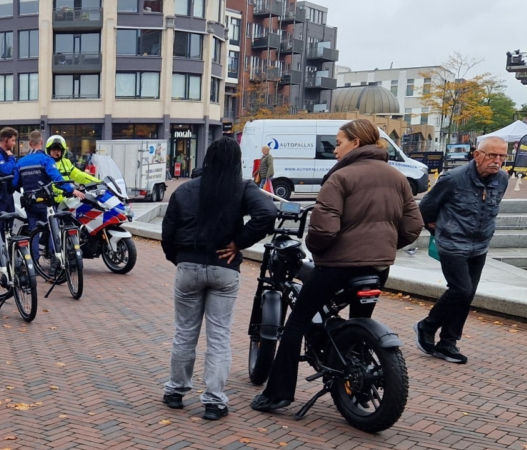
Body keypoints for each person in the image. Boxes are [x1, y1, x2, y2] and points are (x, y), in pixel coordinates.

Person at [252, 119, 423, 413]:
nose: (335, 150)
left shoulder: (340, 177)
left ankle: (278, 394)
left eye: (339, 142)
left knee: (297, 322)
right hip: (378, 267)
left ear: (356, 143)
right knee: (360, 323)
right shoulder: (397, 177)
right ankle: (352, 389)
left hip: (338, 266)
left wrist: (317, 251)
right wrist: (383, 247)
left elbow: (324, 230)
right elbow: (413, 226)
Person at [161, 137, 278, 420]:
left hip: (189, 265)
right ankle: (214, 401)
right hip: (224, 268)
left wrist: (180, 258)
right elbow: (267, 212)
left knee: (185, 332)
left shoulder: (185, 190)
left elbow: (168, 232)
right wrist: (238, 242)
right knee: (219, 336)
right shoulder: (242, 188)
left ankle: (176, 391)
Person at [413, 136, 509, 365]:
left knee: (467, 295)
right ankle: (427, 326)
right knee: (461, 289)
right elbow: (426, 208)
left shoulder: (502, 179)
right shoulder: (453, 179)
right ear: (477, 155)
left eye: (502, 156)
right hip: (453, 243)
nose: (497, 161)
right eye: (492, 155)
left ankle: (448, 342)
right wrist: (439, 228)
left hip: (480, 245)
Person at [17, 130, 84, 266]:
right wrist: (72, 190)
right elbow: (57, 179)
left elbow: (15, 184)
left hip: (29, 203)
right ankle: (55, 261)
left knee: (33, 232)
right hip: (45, 202)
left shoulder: (21, 162)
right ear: (41, 143)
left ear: (30, 143)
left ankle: (34, 263)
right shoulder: (46, 159)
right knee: (53, 229)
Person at [46, 135, 98, 202]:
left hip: (68, 200)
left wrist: (97, 182)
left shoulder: (66, 162)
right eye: (53, 149)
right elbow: (50, 185)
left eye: (58, 149)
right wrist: (69, 190)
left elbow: (78, 174)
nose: (56, 151)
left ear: (62, 151)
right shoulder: (45, 163)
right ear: (48, 150)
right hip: (52, 202)